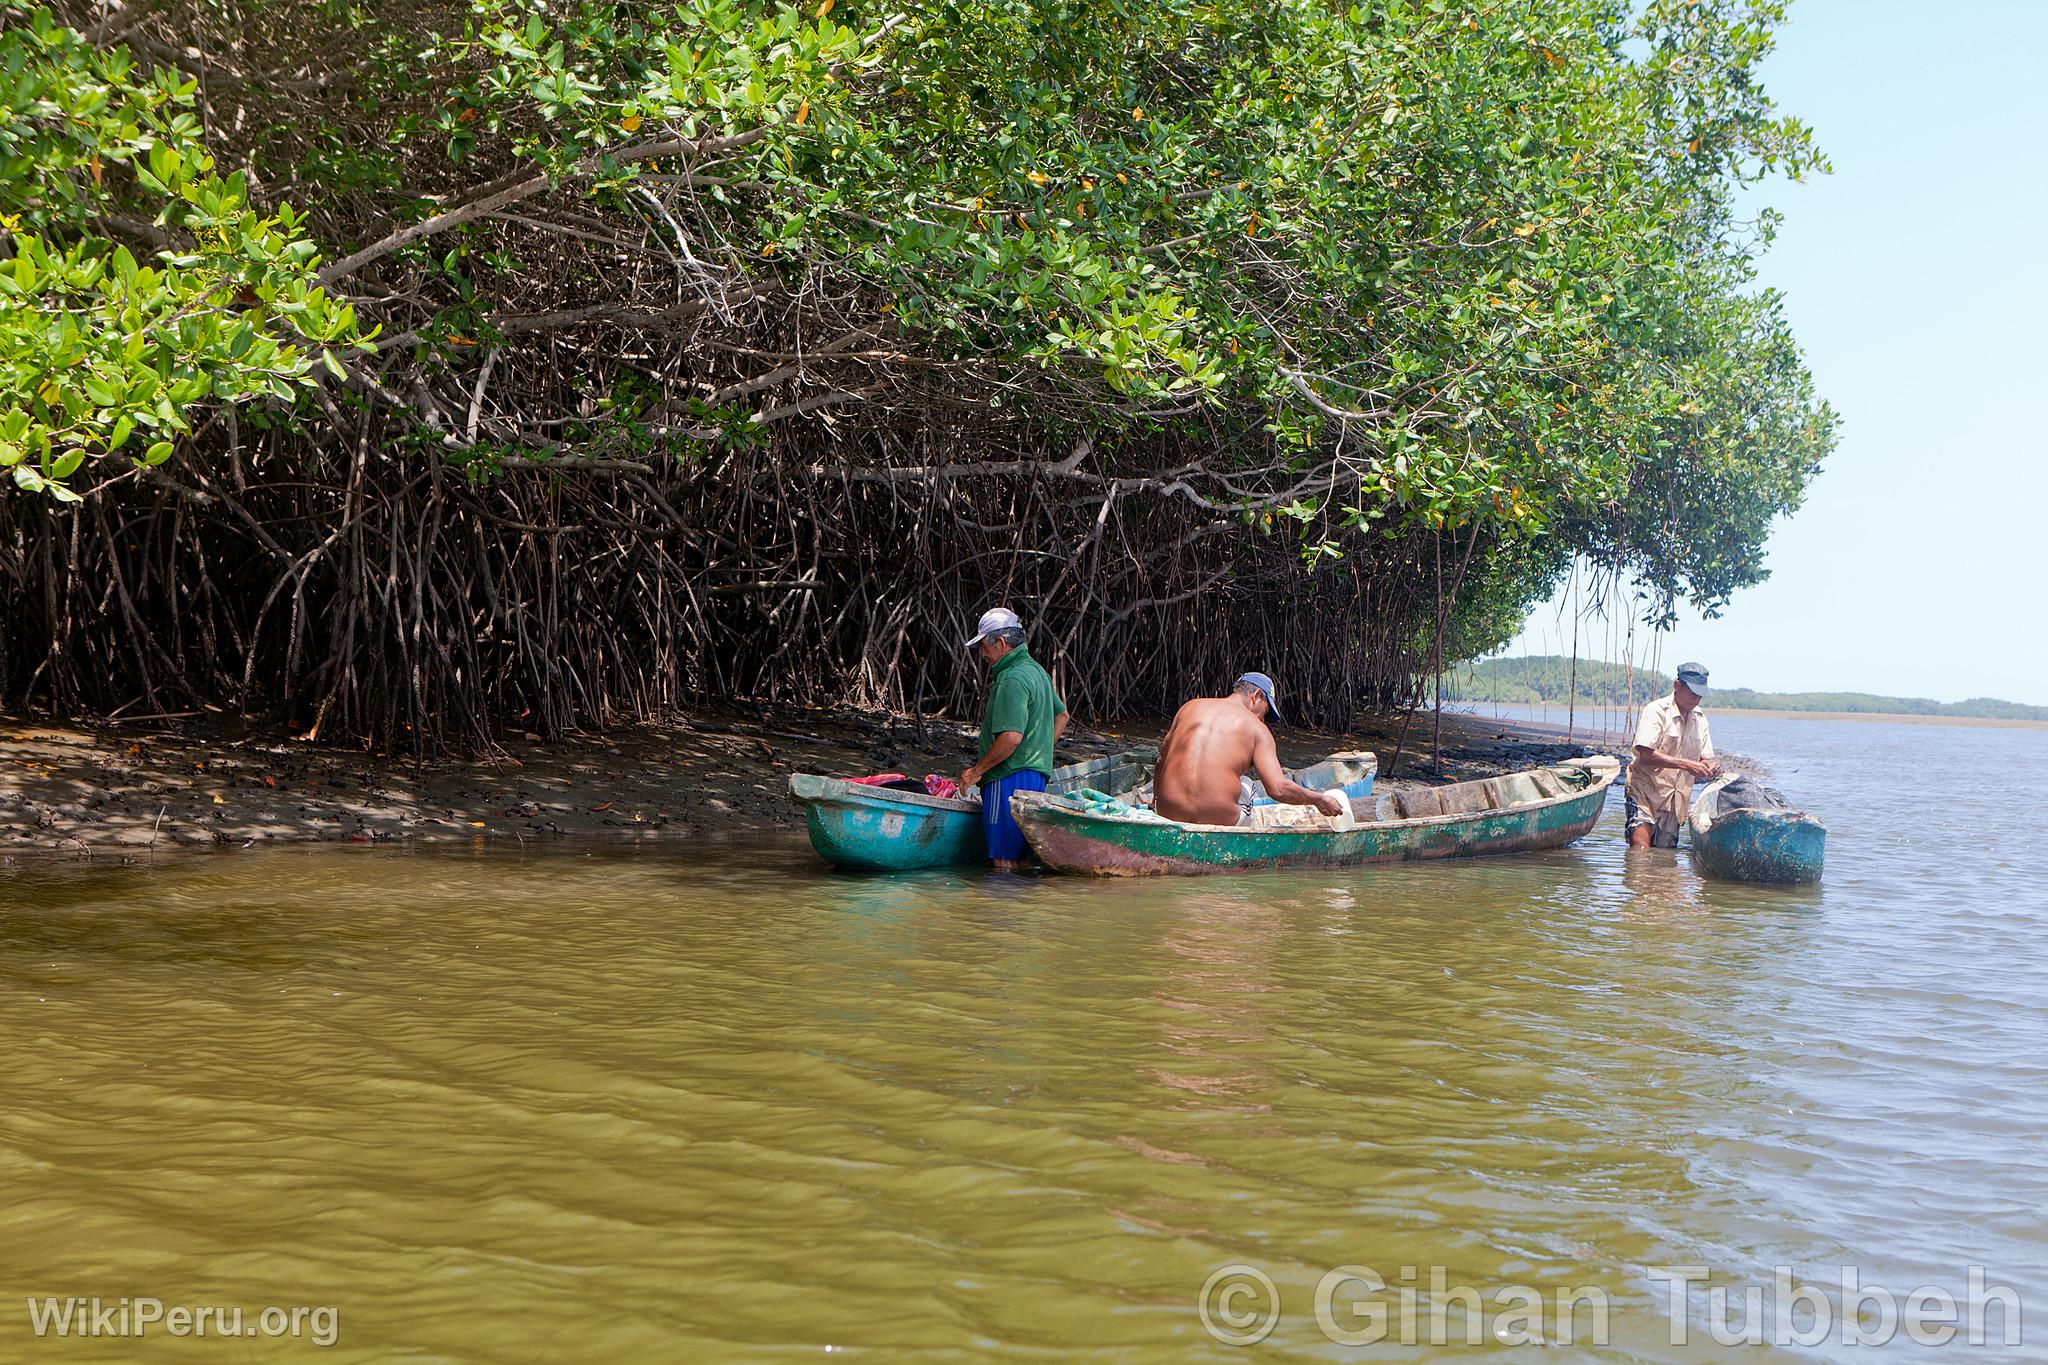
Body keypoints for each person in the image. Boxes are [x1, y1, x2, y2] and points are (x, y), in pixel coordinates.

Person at [958, 607, 1069, 870]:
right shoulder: (1037, 672)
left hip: (1006, 778)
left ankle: (999, 912)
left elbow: (1010, 738)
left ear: (1002, 643)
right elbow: (1062, 715)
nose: (983, 654)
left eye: (984, 646)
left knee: (1003, 862)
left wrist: (976, 772)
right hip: (1035, 779)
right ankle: (1020, 911)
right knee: (1020, 861)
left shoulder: (1012, 678)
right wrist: (1038, 749)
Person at [1151, 673, 1343, 826]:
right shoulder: (1258, 729)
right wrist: (1319, 799)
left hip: (1167, 812)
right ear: (1257, 695)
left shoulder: (1189, 707)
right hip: (1219, 819)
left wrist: (1156, 800)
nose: (1261, 719)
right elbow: (1278, 789)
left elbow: (1161, 761)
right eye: (1265, 712)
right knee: (1246, 783)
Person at [1625, 661, 1722, 849]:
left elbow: (1705, 757)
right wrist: (1686, 765)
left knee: (1665, 857)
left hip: (1675, 801)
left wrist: (1711, 766)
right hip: (1645, 792)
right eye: (1692, 693)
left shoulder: (1700, 719)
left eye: (1700, 695)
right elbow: (1645, 754)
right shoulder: (1656, 711)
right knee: (1640, 851)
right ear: (1677, 686)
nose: (1696, 699)